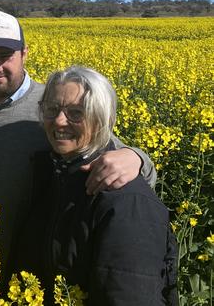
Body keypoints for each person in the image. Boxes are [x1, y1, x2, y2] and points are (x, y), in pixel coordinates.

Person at [0, 10, 156, 275]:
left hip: (34, 272)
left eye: (5, 55)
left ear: (24, 52)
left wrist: (135, 157)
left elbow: (108, 149)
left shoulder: (54, 105)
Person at [14, 66, 177, 305]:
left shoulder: (126, 197)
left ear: (101, 120)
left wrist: (137, 156)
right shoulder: (53, 174)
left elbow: (127, 294)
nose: (60, 121)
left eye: (76, 113)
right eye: (52, 110)